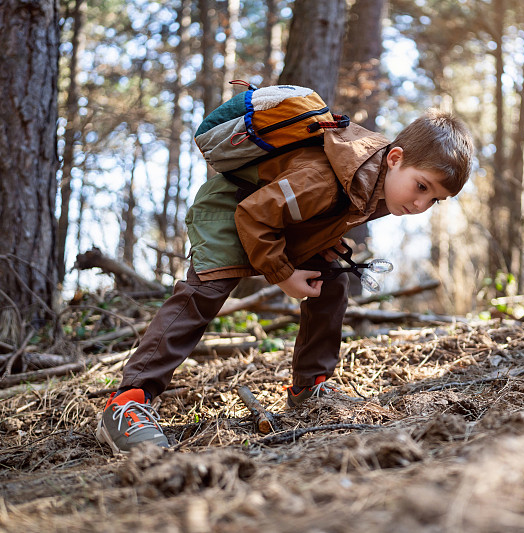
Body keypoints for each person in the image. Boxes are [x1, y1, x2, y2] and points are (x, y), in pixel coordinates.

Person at [95, 109, 475, 454]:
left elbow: (318, 214)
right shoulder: (327, 178)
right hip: (233, 209)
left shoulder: (380, 184)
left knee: (332, 281)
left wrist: (324, 242)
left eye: (435, 200)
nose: (422, 205)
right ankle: (128, 401)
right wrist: (285, 276)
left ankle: (310, 387)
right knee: (203, 294)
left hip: (275, 223)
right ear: (395, 158)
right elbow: (254, 215)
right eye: (422, 187)